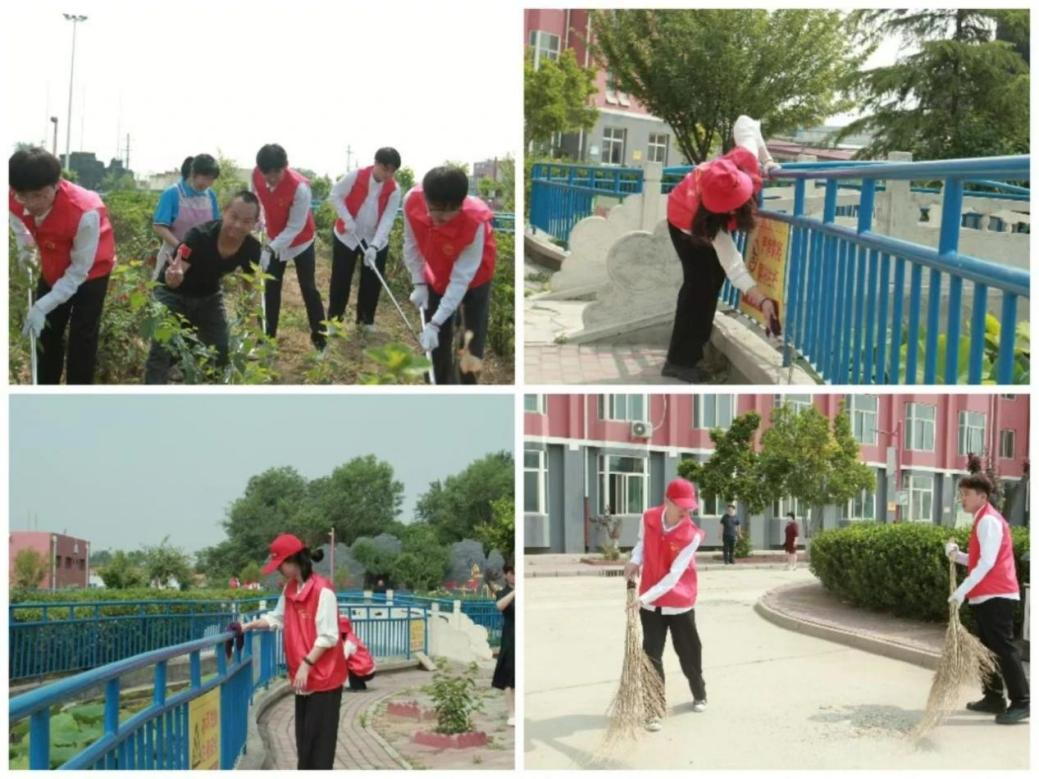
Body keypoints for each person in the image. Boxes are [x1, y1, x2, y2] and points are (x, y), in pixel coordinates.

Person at [663, 115, 782, 383]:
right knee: (699, 284)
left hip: (701, 216)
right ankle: (679, 361)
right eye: (727, 208)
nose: (733, 210)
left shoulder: (744, 161)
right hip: (682, 221)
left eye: (736, 204)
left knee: (711, 281)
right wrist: (761, 299)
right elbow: (733, 264)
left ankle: (692, 350)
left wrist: (767, 159)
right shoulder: (706, 220)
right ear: (714, 209)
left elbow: (746, 122)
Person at [9, 147, 116, 384]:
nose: (31, 203)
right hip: (52, 265)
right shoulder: (12, 198)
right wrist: (24, 251)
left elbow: (79, 271)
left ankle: (76, 400)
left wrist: (42, 305)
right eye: (23, 196)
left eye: (38, 195)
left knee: (82, 340)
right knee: (47, 335)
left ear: (56, 184)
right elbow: (19, 228)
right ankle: (45, 393)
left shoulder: (84, 211)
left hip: (91, 271)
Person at [242, 534, 346, 769]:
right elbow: (276, 617)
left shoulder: (323, 591)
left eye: (281, 565)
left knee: (320, 747)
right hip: (304, 679)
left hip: (324, 680)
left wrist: (306, 663)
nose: (279, 570)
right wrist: (249, 625)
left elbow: (329, 635)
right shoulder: (290, 589)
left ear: (294, 560)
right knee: (305, 745)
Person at [143, 191, 262, 383]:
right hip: (173, 293)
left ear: (255, 223)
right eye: (234, 217)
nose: (238, 225)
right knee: (162, 350)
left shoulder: (252, 247)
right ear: (224, 212)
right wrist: (174, 276)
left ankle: (205, 395)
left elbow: (249, 282)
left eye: (247, 221)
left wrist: (251, 321)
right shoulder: (199, 236)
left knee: (220, 350)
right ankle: (150, 400)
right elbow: (177, 273)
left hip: (209, 295)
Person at [624, 477, 707, 731]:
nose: (685, 511)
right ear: (667, 501)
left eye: (689, 507)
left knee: (688, 652)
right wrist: (634, 560)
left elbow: (674, 576)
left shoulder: (691, 535)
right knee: (651, 657)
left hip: (678, 601)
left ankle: (699, 692)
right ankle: (653, 709)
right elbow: (641, 543)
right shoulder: (648, 517)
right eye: (681, 505)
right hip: (650, 605)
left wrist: (643, 597)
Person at [945, 474, 1029, 725]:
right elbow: (979, 559)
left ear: (982, 497)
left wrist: (961, 591)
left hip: (997, 594)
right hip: (987, 595)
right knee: (987, 650)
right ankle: (993, 698)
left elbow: (987, 563)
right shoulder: (982, 519)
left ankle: (1023, 701)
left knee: (1003, 649)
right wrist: (958, 555)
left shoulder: (988, 521)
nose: (963, 498)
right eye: (962, 494)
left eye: (966, 494)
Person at [403, 166, 496, 384]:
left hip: (475, 279)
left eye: (448, 216)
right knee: (435, 344)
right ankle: (438, 388)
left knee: (470, 341)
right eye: (436, 212)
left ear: (461, 203)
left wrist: (434, 323)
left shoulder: (475, 222)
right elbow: (411, 245)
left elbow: (461, 279)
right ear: (426, 199)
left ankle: (465, 393)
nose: (440, 220)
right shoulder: (411, 201)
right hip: (436, 272)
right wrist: (419, 283)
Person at [252, 143, 326, 351]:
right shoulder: (256, 176)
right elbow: (257, 197)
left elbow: (294, 227)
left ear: (285, 166)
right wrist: (259, 217)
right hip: (274, 236)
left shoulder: (300, 188)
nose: (272, 178)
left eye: (277, 172)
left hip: (301, 241)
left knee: (308, 288)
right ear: (261, 169)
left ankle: (320, 340)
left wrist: (269, 249)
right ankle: (266, 339)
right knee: (270, 288)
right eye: (267, 173)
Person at [327, 148, 402, 331]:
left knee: (372, 280)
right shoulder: (355, 176)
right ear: (375, 163)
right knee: (341, 279)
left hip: (374, 238)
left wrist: (375, 246)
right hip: (348, 235)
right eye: (385, 169)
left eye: (392, 171)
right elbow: (335, 195)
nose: (388, 174)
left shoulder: (394, 189)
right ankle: (334, 322)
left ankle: (365, 320)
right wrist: (347, 218)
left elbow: (388, 218)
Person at [152, 154, 221, 279]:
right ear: (193, 173)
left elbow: (216, 226)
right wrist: (180, 247)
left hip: (200, 258)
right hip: (172, 254)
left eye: (211, 179)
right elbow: (159, 226)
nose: (207, 183)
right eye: (204, 178)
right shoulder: (172, 193)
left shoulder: (210, 196)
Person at [492, 564, 516, 727]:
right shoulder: (503, 592)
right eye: (513, 574)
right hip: (510, 636)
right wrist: (516, 592)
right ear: (507, 575)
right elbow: (499, 606)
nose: (516, 577)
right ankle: (511, 713)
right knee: (508, 673)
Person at [338, 615, 376, 691]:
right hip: (370, 669)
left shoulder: (348, 642)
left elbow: (343, 658)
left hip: (365, 671)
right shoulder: (352, 636)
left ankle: (356, 686)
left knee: (344, 665)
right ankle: (358, 685)